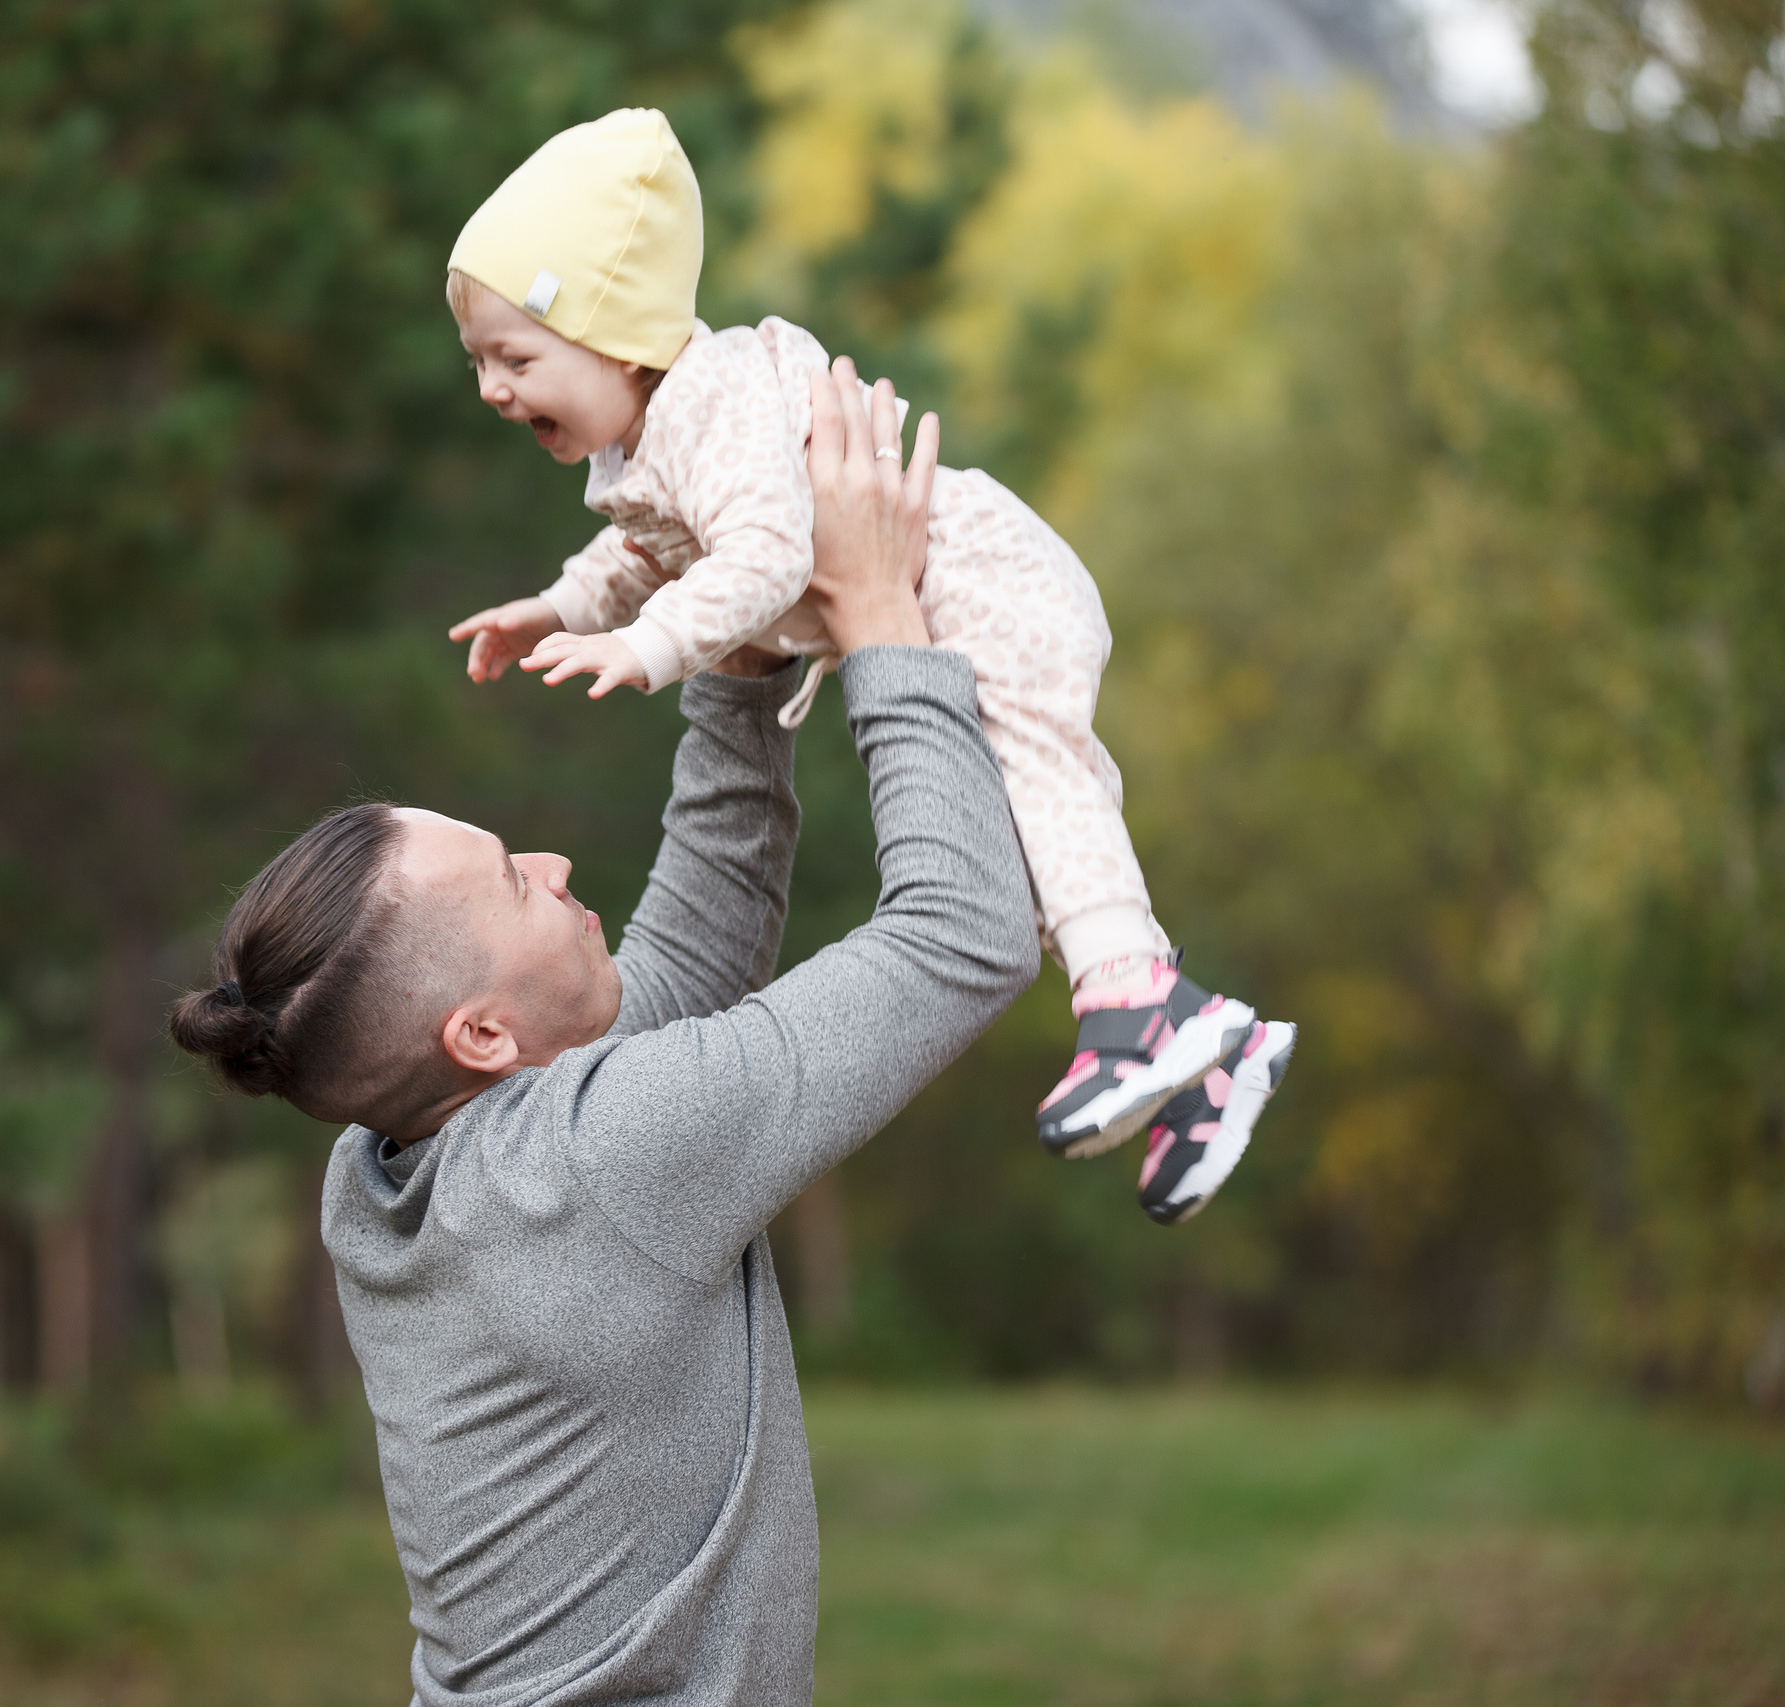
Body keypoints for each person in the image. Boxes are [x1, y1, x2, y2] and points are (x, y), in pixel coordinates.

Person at [172, 371, 1029, 1705]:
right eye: (517, 878)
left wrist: (738, 658)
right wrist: (877, 616)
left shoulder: (386, 1166)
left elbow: (674, 977)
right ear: (481, 1031)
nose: (559, 859)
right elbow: (965, 930)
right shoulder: (598, 1161)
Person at [440, 108, 1293, 1221]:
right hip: (930, 593)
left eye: (516, 358)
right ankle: (1199, 1058)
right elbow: (642, 547)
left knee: (1041, 779)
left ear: (619, 337)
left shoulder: (715, 402)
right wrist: (555, 604)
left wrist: (645, 646)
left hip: (979, 576)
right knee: (1030, 845)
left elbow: (762, 556)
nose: (494, 390)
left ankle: (1142, 1005)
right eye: (478, 363)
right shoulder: (643, 441)